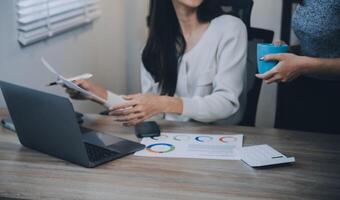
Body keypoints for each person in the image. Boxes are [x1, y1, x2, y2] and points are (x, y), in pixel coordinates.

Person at [68, 0, 247, 126]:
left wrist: (164, 103)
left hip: (219, 142)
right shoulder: (153, 47)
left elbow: (226, 103)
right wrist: (97, 94)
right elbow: (149, 113)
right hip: (172, 143)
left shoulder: (230, 28)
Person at [256, 0, 340, 133]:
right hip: (303, 86)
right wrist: (287, 52)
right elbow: (320, 45)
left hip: (333, 97)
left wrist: (301, 64)